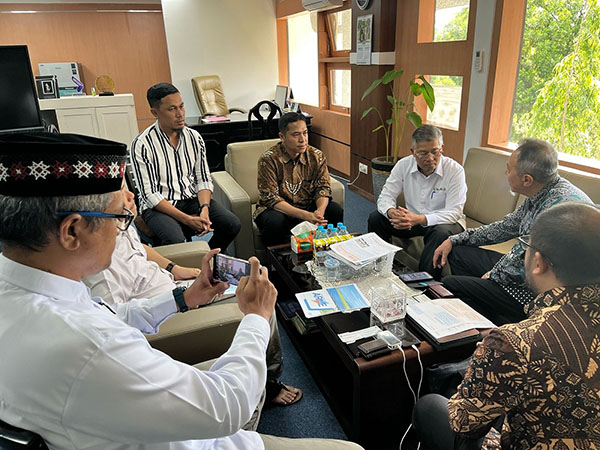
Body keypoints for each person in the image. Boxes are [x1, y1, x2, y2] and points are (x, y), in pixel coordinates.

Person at [0, 132, 363, 450]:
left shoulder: (21, 292)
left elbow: (112, 314)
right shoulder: (91, 347)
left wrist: (183, 297)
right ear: (72, 231)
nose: (124, 231)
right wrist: (255, 317)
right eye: (120, 218)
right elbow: (227, 407)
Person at [83, 184, 302, 408]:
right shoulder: (101, 269)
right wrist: (182, 301)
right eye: (121, 190)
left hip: (175, 290)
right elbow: (122, 329)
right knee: (261, 309)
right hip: (166, 314)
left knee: (260, 293)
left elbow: (139, 249)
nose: (131, 195)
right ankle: (263, 386)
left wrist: (175, 270)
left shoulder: (119, 222)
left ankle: (268, 376)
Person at [413, 202, 600, 449]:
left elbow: (464, 423)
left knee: (430, 407)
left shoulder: (514, 342)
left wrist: (484, 362)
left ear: (538, 262)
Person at [433, 138, 591, 325]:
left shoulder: (556, 211)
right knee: (457, 252)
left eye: (508, 169)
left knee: (450, 284)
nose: (505, 172)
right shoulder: (544, 191)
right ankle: (487, 314)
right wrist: (455, 239)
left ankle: (486, 325)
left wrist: (494, 276)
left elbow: (531, 264)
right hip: (525, 270)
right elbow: (504, 227)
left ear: (527, 179)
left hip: (536, 291)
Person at [130, 82, 240, 248]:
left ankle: (207, 259)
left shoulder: (194, 137)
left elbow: (203, 179)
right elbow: (150, 195)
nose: (180, 114)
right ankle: (183, 264)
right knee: (175, 239)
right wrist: (187, 219)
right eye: (172, 109)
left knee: (231, 224)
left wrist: (204, 209)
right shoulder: (142, 144)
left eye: (181, 106)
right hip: (159, 207)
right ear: (155, 113)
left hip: (191, 199)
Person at [367, 125, 467, 279]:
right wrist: (391, 212)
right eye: (423, 153)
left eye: (435, 151)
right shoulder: (403, 165)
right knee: (376, 218)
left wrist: (420, 219)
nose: (430, 158)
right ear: (413, 152)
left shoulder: (455, 170)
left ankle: (426, 283)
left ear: (442, 148)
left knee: (439, 233)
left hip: (445, 223)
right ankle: (379, 268)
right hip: (412, 221)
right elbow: (385, 196)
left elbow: (454, 212)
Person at [254, 112, 344, 247]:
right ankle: (278, 258)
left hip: (308, 205)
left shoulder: (316, 156)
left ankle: (328, 252)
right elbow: (271, 198)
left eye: (305, 133)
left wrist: (319, 212)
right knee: (275, 222)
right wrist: (305, 216)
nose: (303, 139)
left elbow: (323, 188)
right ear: (282, 137)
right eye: (296, 134)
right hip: (277, 210)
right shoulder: (269, 160)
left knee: (334, 210)